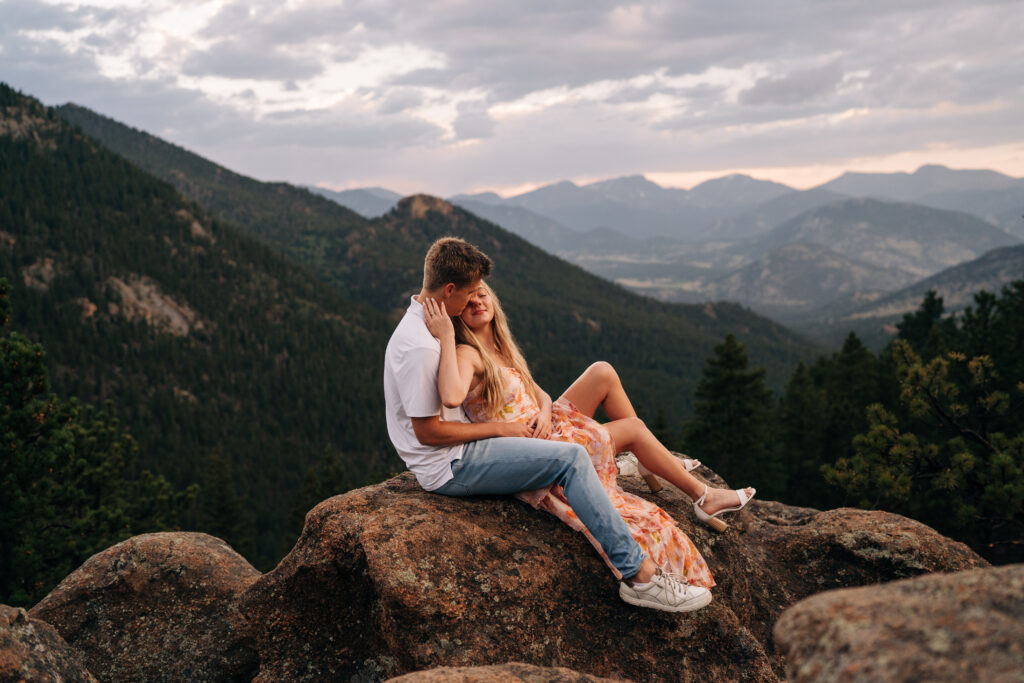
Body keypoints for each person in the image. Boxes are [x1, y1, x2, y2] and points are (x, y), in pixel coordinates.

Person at [383, 237, 710, 612]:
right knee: (570, 459)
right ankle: (640, 578)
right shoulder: (424, 343)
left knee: (572, 450)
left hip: (460, 451)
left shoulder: (427, 325)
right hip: (450, 465)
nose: (476, 299)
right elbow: (428, 434)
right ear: (450, 289)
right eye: (471, 292)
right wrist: (502, 429)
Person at [422, 281, 755, 581]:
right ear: (458, 314)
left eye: (482, 294)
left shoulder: (500, 345)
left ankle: (649, 462)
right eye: (468, 302)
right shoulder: (468, 354)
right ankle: (702, 496)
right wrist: (447, 337)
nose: (478, 302)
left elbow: (538, 392)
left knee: (602, 372)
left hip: (547, 425)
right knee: (635, 429)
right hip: (535, 446)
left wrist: (548, 411)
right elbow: (451, 395)